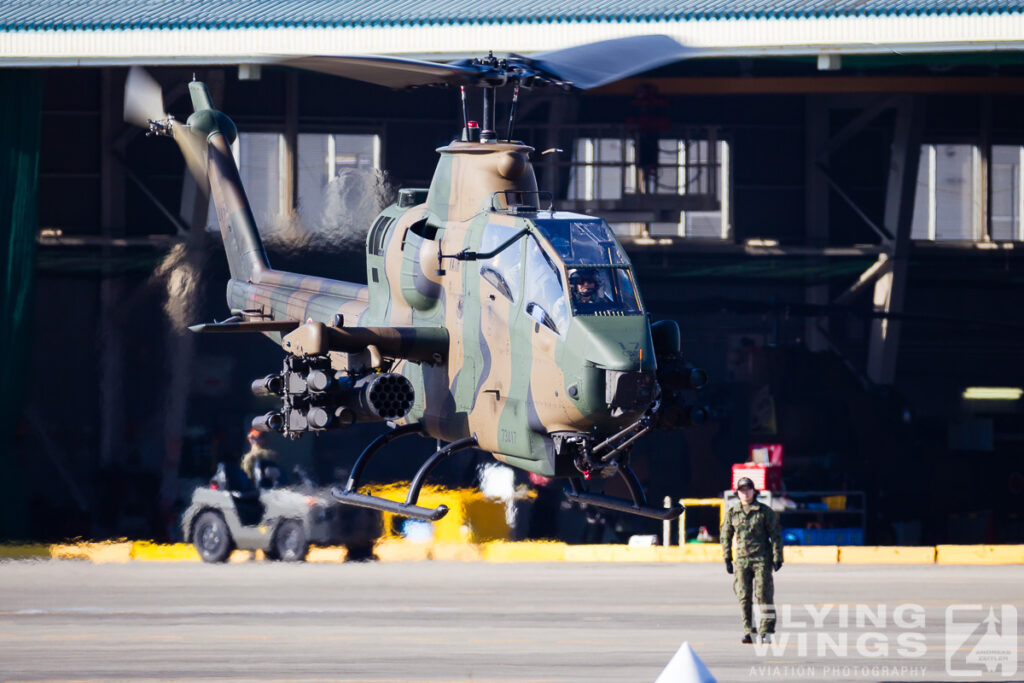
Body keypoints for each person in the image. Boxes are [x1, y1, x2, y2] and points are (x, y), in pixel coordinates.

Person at [720, 476, 783, 644]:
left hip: (761, 559)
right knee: (743, 596)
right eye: (742, 490)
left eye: (748, 489)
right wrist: (727, 557)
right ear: (738, 493)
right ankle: (749, 630)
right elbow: (725, 535)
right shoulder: (733, 512)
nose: (745, 493)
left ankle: (767, 630)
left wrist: (778, 557)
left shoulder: (764, 512)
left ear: (754, 491)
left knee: (764, 595)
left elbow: (775, 536)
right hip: (741, 560)